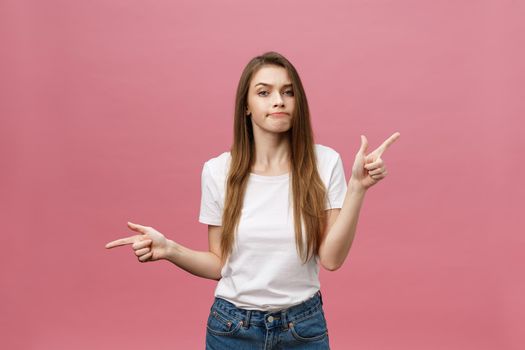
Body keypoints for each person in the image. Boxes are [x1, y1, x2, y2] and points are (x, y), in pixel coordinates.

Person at [105, 51, 400, 349]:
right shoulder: (219, 171)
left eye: (288, 92)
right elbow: (220, 264)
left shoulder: (324, 163)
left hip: (303, 327)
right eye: (264, 92)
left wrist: (358, 189)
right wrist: (170, 249)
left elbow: (332, 259)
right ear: (246, 106)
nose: (278, 100)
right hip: (233, 329)